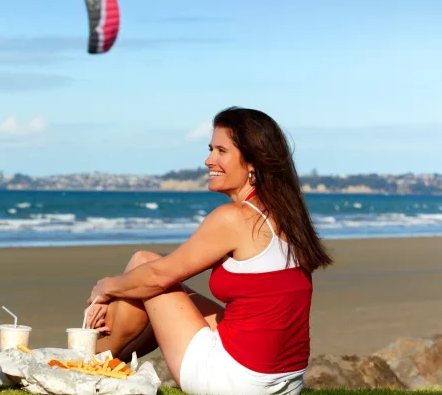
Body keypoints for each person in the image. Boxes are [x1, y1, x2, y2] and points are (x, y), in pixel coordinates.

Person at [84, 107, 333, 395]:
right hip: (285, 382)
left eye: (221, 151)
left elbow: (156, 276)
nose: (208, 160)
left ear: (253, 161)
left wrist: (105, 288)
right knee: (150, 284)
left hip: (238, 382)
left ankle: (88, 362)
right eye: (210, 149)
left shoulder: (235, 218)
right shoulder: (287, 216)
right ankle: (107, 360)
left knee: (144, 264)